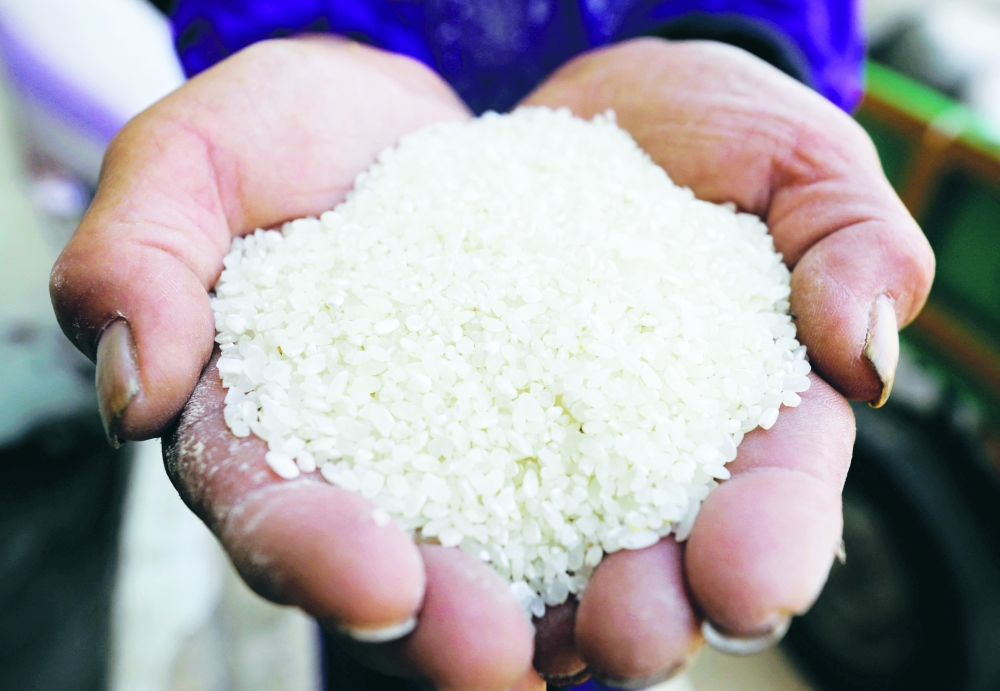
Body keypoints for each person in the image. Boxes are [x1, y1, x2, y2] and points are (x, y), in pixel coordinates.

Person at [49, 2, 935, 690]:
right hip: (331, 149)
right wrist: (294, 40)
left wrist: (740, 42)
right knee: (387, 611)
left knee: (630, 623)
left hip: (662, 133)